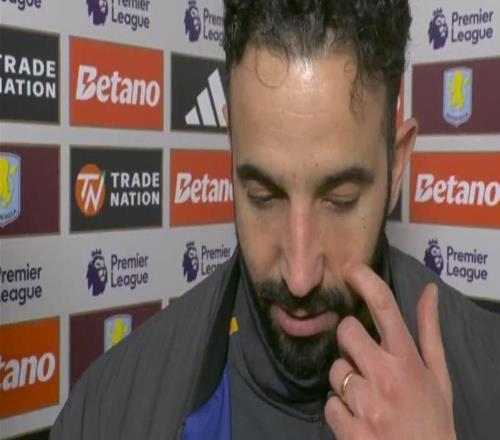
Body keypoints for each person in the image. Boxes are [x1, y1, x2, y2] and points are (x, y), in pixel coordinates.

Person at [50, 1, 500, 439]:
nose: (299, 276)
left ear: (396, 166)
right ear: (232, 148)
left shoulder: (490, 376)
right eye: (263, 197)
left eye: (340, 200)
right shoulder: (106, 412)